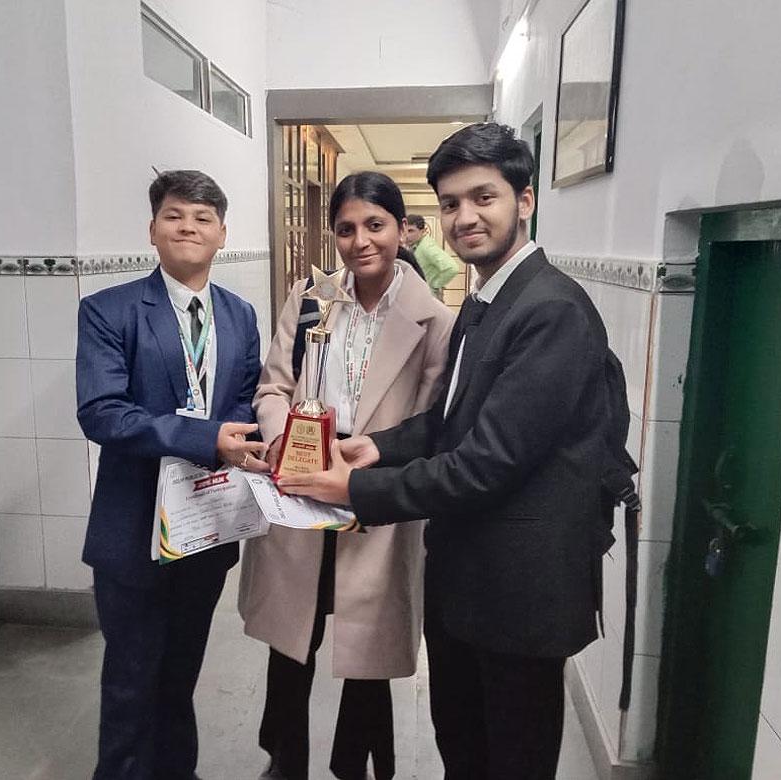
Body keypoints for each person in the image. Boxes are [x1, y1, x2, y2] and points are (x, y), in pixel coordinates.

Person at [279, 123, 612, 780]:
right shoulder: (487, 301)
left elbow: (486, 463)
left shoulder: (550, 311)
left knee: (509, 761)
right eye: (452, 203)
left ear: (524, 200)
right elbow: (449, 423)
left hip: (518, 598)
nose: (465, 218)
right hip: (466, 584)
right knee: (464, 750)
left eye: (484, 197)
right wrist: (375, 447)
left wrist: (355, 491)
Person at [240, 171, 454, 780]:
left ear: (401, 228)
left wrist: (377, 461)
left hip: (373, 491)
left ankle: (355, 762)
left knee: (367, 645)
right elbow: (273, 386)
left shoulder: (434, 320)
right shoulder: (311, 298)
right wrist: (282, 442)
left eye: (375, 225)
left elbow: (430, 421)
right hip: (301, 485)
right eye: (346, 228)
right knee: (293, 638)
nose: (361, 241)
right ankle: (285, 760)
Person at [76, 169, 269, 780]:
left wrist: (244, 440)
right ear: (152, 230)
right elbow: (102, 412)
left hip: (205, 527)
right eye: (174, 215)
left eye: (203, 218)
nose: (188, 227)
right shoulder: (108, 311)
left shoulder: (239, 315)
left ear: (222, 234)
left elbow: (243, 399)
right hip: (133, 529)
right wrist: (204, 438)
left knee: (180, 674)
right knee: (131, 681)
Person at [405, 214, 462, 298]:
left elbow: (452, 267)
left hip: (427, 296)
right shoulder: (416, 246)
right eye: (404, 231)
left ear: (423, 231)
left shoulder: (426, 246)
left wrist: (435, 284)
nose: (407, 235)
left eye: (411, 231)